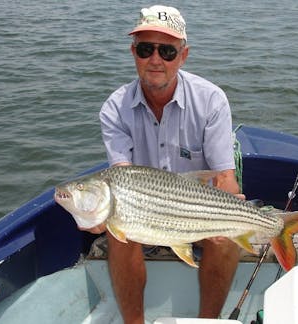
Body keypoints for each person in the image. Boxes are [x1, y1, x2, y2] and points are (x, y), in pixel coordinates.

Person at [91, 5, 241, 323]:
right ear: (134, 53)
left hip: (197, 212)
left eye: (167, 51)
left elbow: (225, 177)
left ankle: (208, 321)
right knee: (120, 234)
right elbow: (120, 178)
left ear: (183, 56)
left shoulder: (211, 100)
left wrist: (224, 218)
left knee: (226, 240)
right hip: (144, 214)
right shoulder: (114, 109)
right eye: (146, 49)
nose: (155, 60)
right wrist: (96, 213)